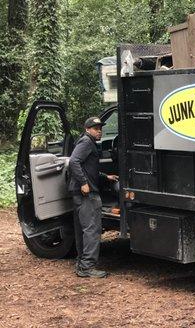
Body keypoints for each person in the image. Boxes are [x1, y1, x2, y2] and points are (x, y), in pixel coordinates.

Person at [68, 116, 118, 278]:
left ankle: (82, 263)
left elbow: (89, 168)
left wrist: (105, 176)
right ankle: (87, 267)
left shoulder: (87, 142)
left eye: (100, 128)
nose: (99, 131)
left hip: (80, 193)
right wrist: (83, 183)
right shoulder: (86, 142)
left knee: (83, 229)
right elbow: (74, 162)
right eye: (96, 129)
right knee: (92, 229)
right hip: (86, 194)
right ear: (87, 129)